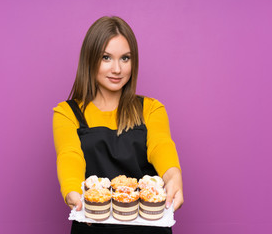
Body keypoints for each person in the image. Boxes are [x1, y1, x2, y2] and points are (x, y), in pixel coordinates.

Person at [53, 16, 183, 234]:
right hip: (93, 224)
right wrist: (72, 191)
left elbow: (161, 146)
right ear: (90, 59)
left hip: (148, 228)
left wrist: (174, 177)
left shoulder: (151, 109)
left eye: (125, 58)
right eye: (106, 58)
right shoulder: (67, 113)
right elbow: (69, 155)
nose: (117, 69)